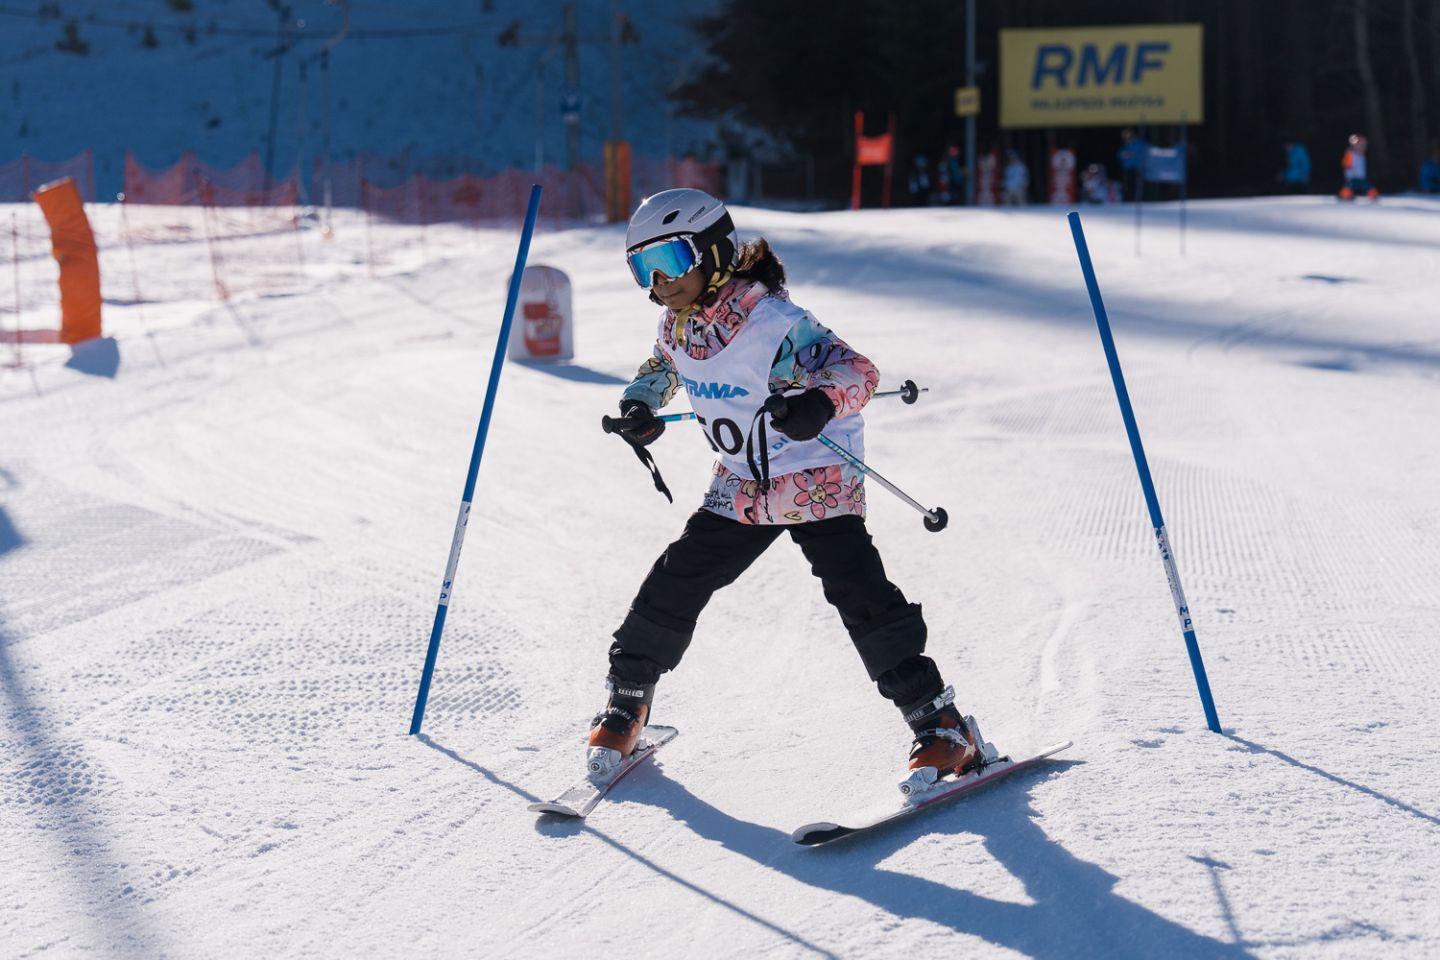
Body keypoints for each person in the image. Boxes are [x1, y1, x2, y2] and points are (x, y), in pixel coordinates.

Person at [592, 188, 993, 784]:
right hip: (744, 482)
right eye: (642, 268)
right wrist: (640, 406)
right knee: (677, 580)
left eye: (670, 260)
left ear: (714, 251)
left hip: (814, 477)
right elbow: (664, 367)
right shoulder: (678, 326)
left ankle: (943, 727)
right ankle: (629, 703)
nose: (660, 282)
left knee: (859, 594)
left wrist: (818, 403)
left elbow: (858, 372)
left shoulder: (775, 323)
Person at [1340, 134, 1378, 201]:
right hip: (1353, 176)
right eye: (1361, 145)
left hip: (1361, 176)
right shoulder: (1351, 153)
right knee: (1349, 187)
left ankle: (1374, 196)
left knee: (1367, 186)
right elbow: (1346, 164)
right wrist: (1348, 165)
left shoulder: (1361, 154)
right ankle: (1345, 196)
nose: (1363, 147)